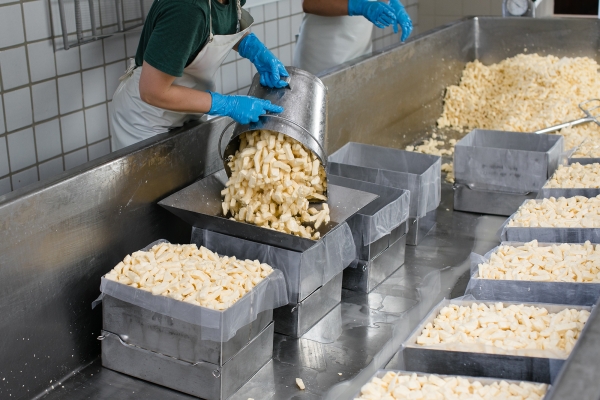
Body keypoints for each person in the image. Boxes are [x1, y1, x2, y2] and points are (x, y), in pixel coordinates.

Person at [110, 0, 288, 150]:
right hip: (147, 121)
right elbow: (152, 92)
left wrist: (252, 48)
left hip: (188, 112)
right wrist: (228, 104)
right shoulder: (187, 9)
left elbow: (216, 26)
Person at [293, 0, 413, 76]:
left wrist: (393, 3)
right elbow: (310, 3)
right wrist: (359, 6)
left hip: (360, 51)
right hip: (324, 55)